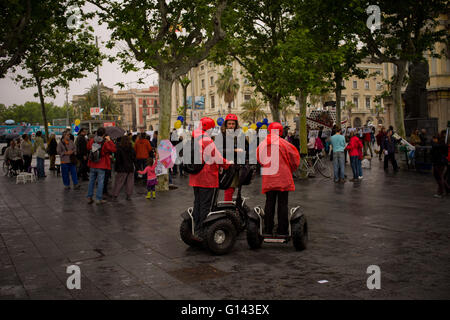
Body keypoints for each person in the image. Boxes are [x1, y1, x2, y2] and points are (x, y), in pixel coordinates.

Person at [189, 117, 232, 239]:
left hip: (195, 177)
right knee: (206, 205)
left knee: (197, 203)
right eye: (212, 128)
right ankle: (203, 232)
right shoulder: (206, 139)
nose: (213, 130)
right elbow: (217, 157)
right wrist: (228, 163)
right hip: (207, 178)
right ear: (208, 128)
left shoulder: (195, 137)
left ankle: (196, 229)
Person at [257, 122, 300, 236]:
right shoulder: (285, 144)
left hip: (269, 178)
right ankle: (282, 229)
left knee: (269, 202)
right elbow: (295, 159)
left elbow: (260, 159)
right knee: (283, 203)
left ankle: (268, 228)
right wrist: (290, 168)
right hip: (283, 178)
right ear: (281, 132)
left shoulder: (262, 144)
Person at [220, 113, 248, 202]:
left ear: (236, 124)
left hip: (238, 166)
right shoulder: (222, 136)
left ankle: (233, 208)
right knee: (229, 188)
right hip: (227, 166)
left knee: (237, 189)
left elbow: (246, 148)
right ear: (226, 124)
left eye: (233, 124)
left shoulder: (240, 135)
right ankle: (227, 209)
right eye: (229, 124)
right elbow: (219, 151)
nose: (231, 126)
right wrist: (234, 150)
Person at [86, 127, 117, 205]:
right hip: (101, 164)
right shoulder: (105, 142)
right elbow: (113, 149)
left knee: (91, 181)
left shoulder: (92, 140)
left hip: (92, 164)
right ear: (104, 134)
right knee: (100, 182)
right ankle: (98, 199)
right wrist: (109, 140)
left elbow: (88, 147)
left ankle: (89, 197)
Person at [112, 136, 136, 201]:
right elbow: (134, 158)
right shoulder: (131, 148)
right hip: (130, 167)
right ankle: (128, 195)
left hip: (121, 168)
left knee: (119, 182)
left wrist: (116, 168)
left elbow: (118, 160)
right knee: (130, 182)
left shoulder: (119, 148)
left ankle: (115, 195)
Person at [431, 131, 449, 198]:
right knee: (440, 176)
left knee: (438, 177)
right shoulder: (442, 143)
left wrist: (433, 141)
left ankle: (441, 192)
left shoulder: (441, 143)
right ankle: (447, 189)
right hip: (440, 162)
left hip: (439, 162)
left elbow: (435, 147)